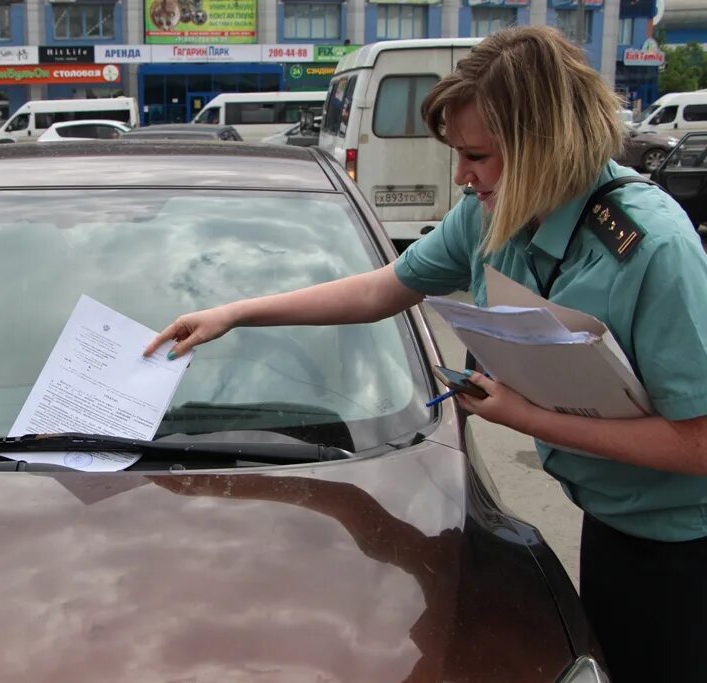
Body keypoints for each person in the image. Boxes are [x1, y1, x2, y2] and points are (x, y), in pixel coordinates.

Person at [144, 25, 707, 683]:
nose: (463, 176)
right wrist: (237, 313)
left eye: (478, 155)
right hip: (612, 521)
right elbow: (384, 288)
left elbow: (698, 443)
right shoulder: (493, 213)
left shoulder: (653, 250)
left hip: (681, 552)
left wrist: (525, 416)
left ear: (544, 147)